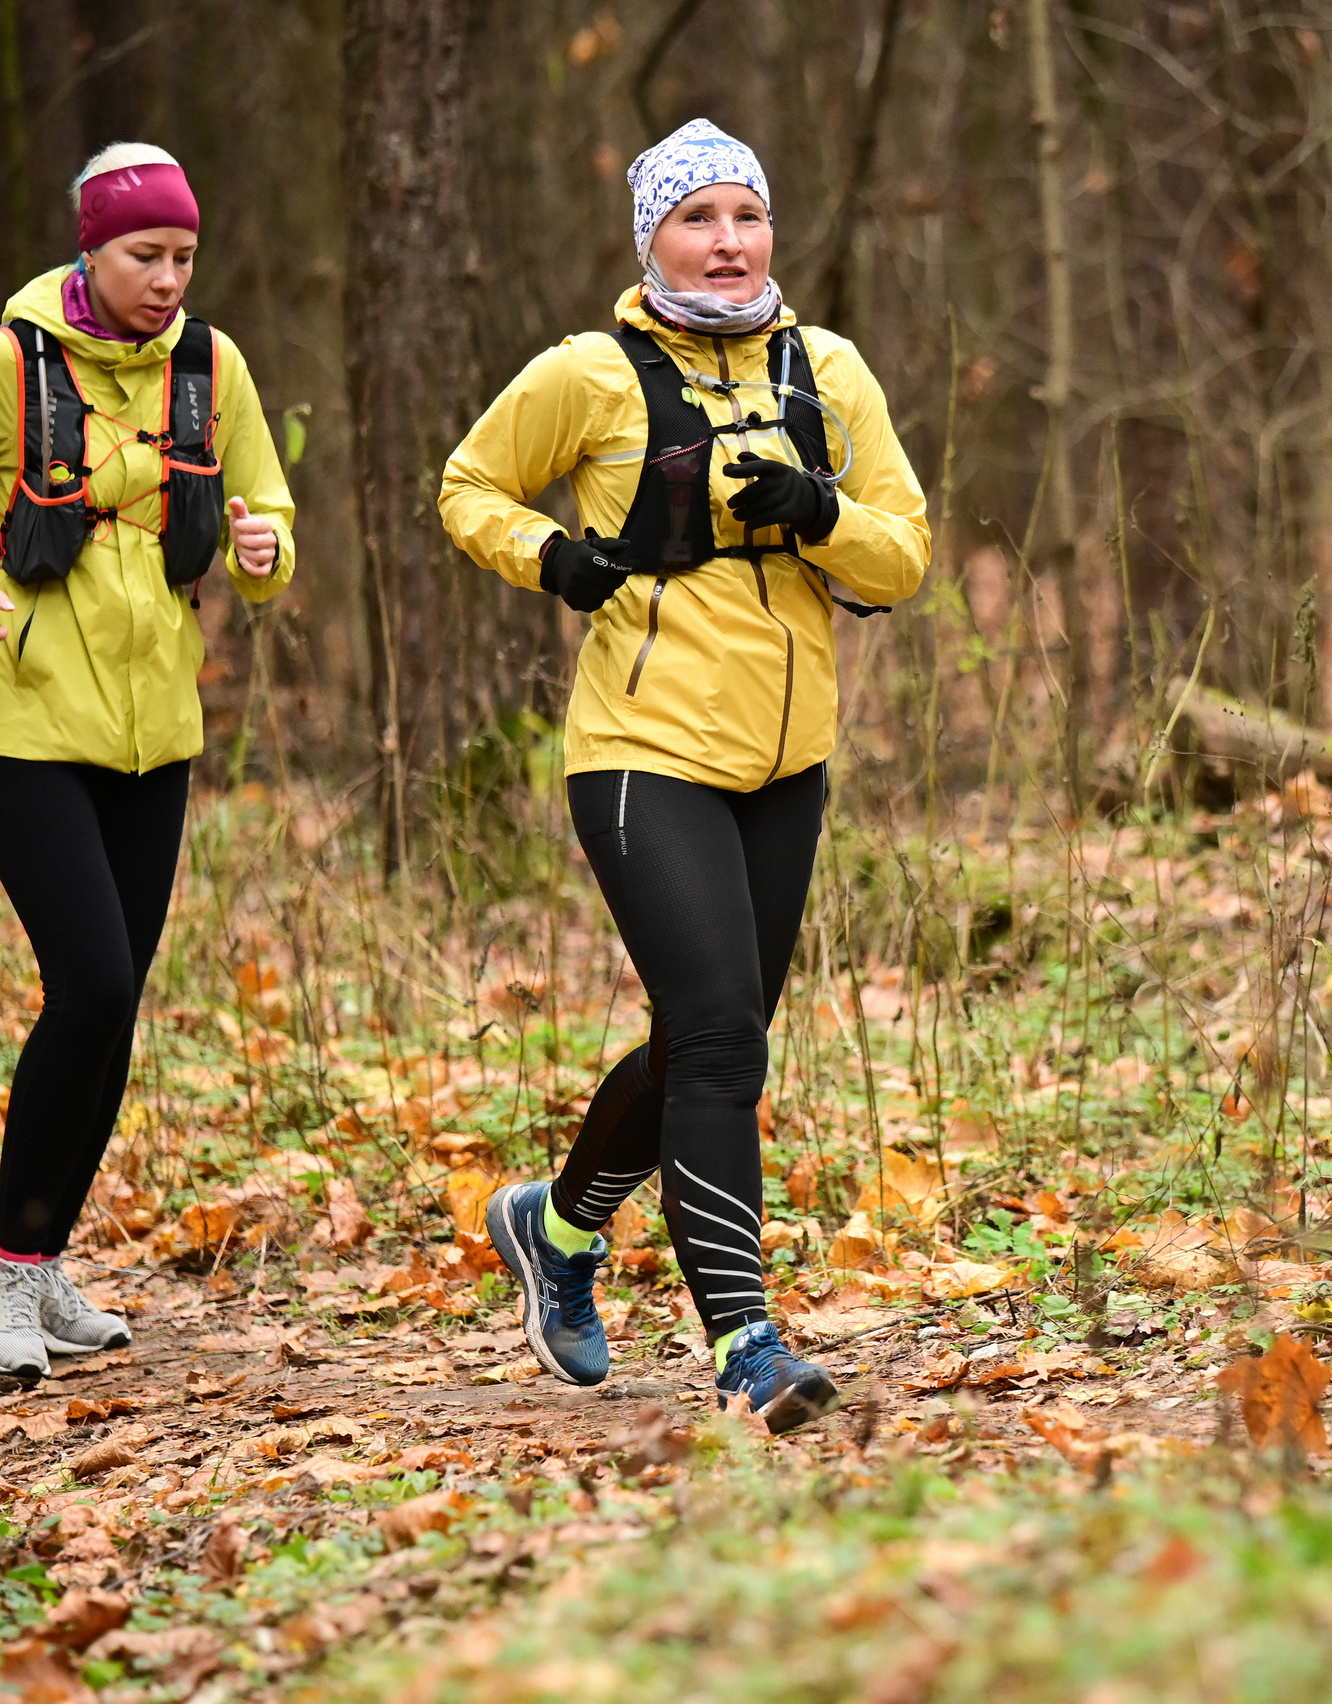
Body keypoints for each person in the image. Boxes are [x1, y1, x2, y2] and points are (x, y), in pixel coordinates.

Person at [440, 119, 929, 1434]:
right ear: (650, 238)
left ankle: (556, 1227)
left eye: (745, 216)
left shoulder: (828, 369)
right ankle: (747, 1348)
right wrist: (553, 558)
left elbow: (903, 553)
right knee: (718, 1036)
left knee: (711, 1037)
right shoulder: (588, 373)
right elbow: (469, 487)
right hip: (640, 752)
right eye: (696, 219)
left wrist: (819, 513)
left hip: (787, 758)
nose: (726, 243)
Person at [0, 143, 296, 1380]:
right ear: (92, 249)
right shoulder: (9, 366)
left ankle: (41, 1263)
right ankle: (5, 1278)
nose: (168, 280)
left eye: (184, 257)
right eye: (146, 255)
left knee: (114, 1005)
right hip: (25, 731)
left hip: (158, 738)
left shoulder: (211, 367)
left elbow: (269, 509)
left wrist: (263, 550)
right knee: (89, 985)